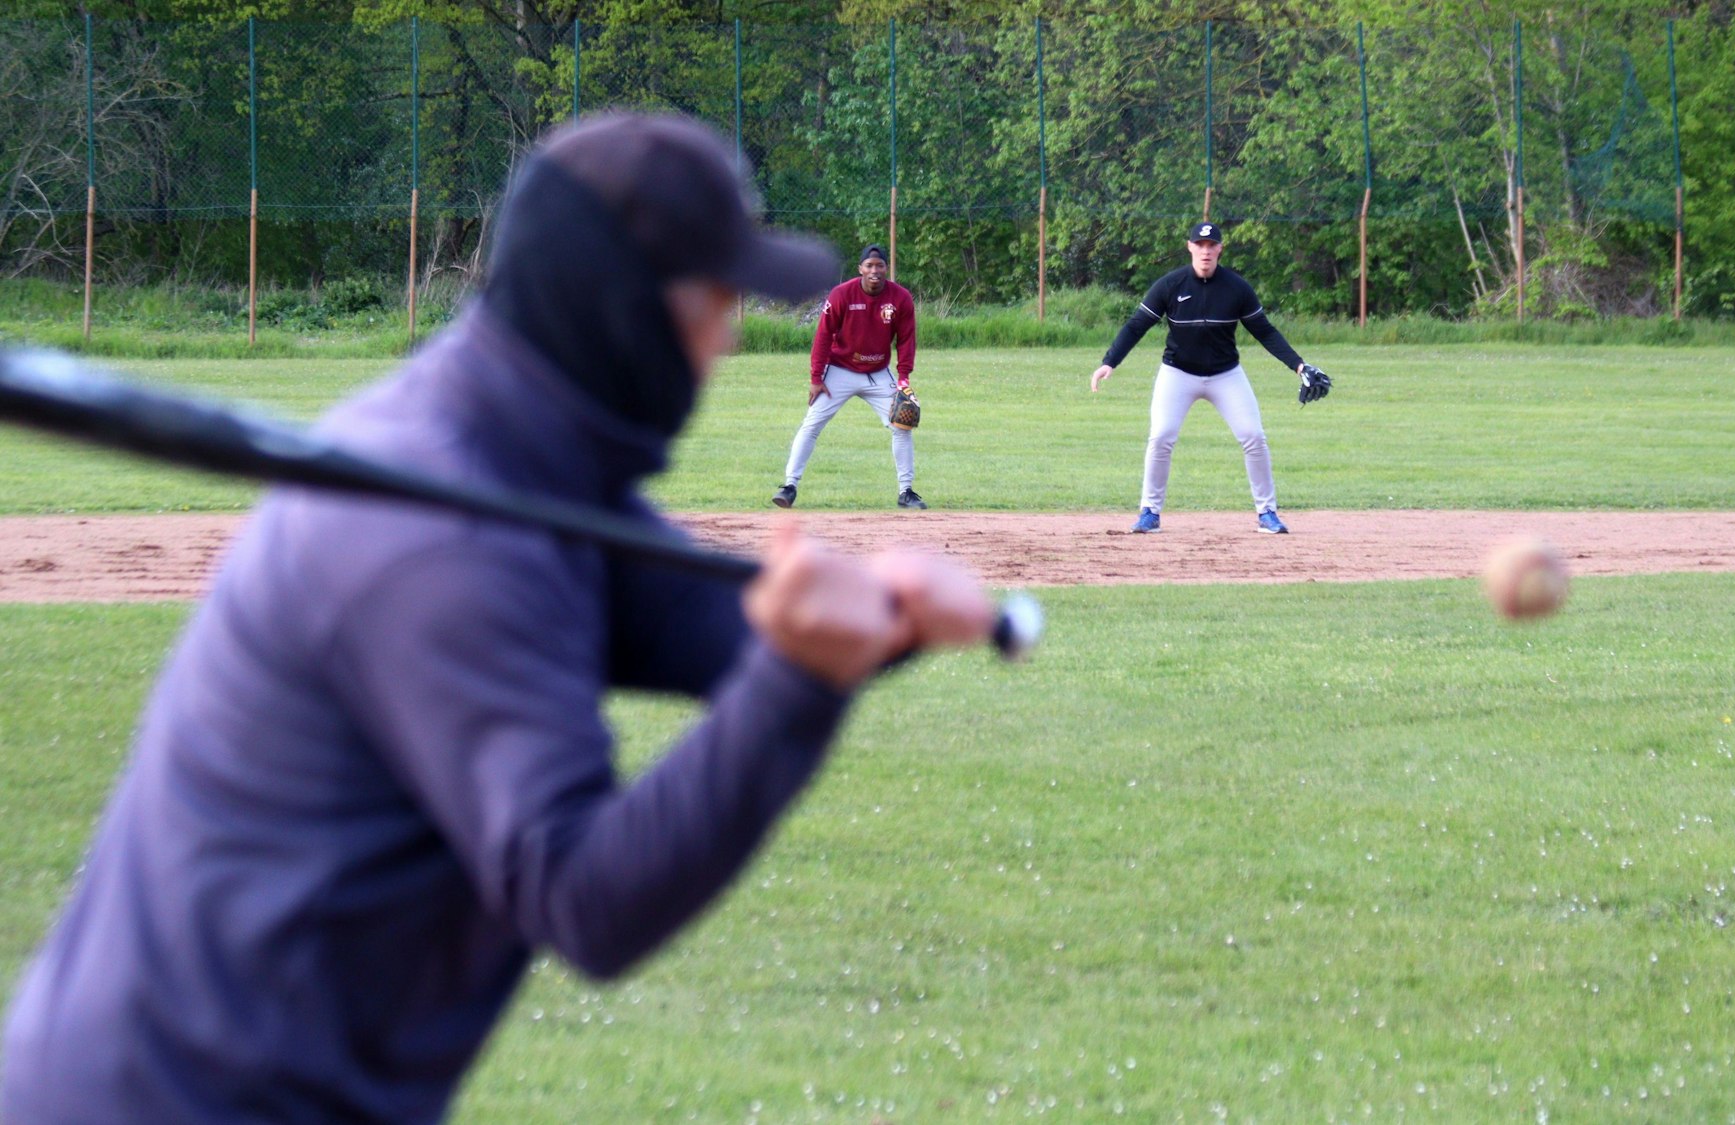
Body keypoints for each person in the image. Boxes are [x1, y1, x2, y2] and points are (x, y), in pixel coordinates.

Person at [0, 113, 996, 1123]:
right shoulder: (443, 528)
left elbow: (733, 631)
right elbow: (585, 898)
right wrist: (804, 674)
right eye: (716, 297)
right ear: (622, 308)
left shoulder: (518, 457)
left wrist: (889, 609)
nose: (729, 332)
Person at [1089, 220, 1326, 535]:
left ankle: (1267, 512)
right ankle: (1149, 511)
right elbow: (1137, 325)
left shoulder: (1236, 288)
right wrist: (1110, 362)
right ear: (1189, 247)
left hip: (1225, 374)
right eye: (1199, 245)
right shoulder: (1170, 285)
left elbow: (1265, 332)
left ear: (1219, 249)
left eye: (1211, 245)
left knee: (1254, 437)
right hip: (1178, 373)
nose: (1205, 251)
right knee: (1161, 437)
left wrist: (1299, 366)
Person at [771, 244, 924, 511]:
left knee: (901, 426)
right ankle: (789, 487)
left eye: (880, 266)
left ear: (886, 269)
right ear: (860, 269)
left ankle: (906, 492)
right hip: (839, 370)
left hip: (878, 374)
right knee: (811, 425)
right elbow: (823, 336)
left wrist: (903, 378)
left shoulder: (900, 298)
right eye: (869, 266)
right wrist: (816, 378)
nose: (874, 271)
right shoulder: (842, 294)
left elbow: (907, 340)